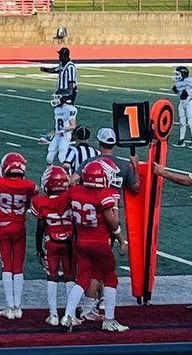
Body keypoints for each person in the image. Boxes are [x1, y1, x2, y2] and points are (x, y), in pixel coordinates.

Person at [62, 160, 128, 332]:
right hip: (100, 242)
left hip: (82, 241)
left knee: (83, 279)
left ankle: (68, 316)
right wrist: (115, 209)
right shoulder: (105, 195)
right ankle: (110, 320)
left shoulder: (75, 191)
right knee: (110, 278)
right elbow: (114, 224)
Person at [0, 152, 37, 320]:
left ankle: (9, 305)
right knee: (18, 266)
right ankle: (18, 306)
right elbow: (31, 201)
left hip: (3, 226)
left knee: (7, 266)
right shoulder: (29, 185)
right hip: (19, 226)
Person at [32, 165, 75, 326]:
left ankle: (54, 314)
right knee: (70, 276)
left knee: (52, 276)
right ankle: (69, 314)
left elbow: (40, 227)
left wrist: (38, 247)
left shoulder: (40, 201)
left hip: (51, 240)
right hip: (69, 240)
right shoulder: (70, 197)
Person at [44, 89, 77, 166]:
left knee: (62, 157)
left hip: (65, 136)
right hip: (57, 135)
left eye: (57, 97)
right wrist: (49, 135)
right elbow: (57, 127)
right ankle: (49, 172)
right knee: (49, 157)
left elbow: (73, 125)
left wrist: (64, 129)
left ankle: (68, 173)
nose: (55, 99)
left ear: (63, 98)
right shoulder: (57, 109)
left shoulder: (70, 109)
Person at [172, 65, 192, 148]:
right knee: (182, 122)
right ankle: (181, 140)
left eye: (178, 74)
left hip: (189, 103)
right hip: (182, 103)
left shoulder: (189, 81)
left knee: (190, 122)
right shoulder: (178, 83)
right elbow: (179, 92)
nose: (176, 75)